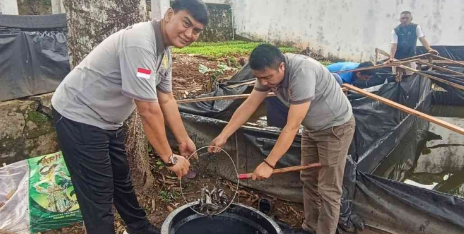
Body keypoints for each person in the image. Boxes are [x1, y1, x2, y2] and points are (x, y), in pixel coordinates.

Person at [50, 0, 208, 233]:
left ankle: (140, 228)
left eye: (196, 30)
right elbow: (147, 109)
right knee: (99, 193)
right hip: (78, 116)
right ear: (169, 14)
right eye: (186, 23)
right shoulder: (140, 42)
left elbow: (166, 99)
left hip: (108, 121)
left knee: (121, 182)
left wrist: (183, 140)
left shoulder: (164, 51)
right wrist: (169, 158)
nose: (189, 33)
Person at [208, 44, 356, 234]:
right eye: (259, 78)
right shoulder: (266, 76)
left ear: (281, 67)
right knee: (308, 178)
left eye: (268, 77)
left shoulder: (302, 73)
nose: (264, 82)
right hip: (312, 128)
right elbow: (249, 105)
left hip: (336, 129)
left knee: (329, 189)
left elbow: (292, 126)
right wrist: (223, 135)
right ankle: (310, 227)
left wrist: (269, 163)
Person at [389, 11, 438, 81]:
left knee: (411, 77)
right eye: (403, 18)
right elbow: (394, 45)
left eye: (407, 18)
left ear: (411, 19)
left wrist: (429, 49)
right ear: (400, 20)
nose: (405, 20)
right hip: (398, 58)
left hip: (411, 57)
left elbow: (422, 38)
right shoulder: (396, 30)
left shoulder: (416, 27)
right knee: (396, 77)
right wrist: (391, 58)